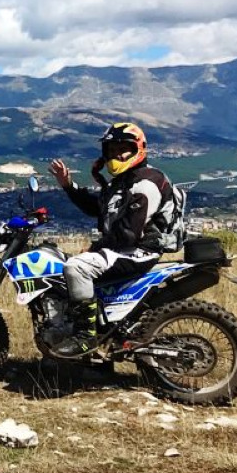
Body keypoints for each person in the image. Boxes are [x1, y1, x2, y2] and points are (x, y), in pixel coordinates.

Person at [48, 122, 180, 356]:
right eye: (111, 150)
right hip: (127, 249)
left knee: (76, 267)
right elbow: (97, 208)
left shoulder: (145, 184)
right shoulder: (125, 180)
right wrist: (69, 186)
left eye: (123, 149)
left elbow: (128, 233)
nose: (116, 154)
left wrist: (95, 248)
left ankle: (86, 337)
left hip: (139, 251)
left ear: (138, 149)